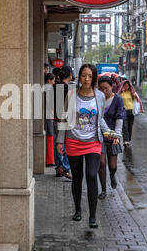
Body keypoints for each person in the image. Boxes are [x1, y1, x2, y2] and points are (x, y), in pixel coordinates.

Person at [56, 64, 117, 228]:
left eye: (90, 76)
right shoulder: (71, 95)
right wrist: (60, 141)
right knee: (77, 178)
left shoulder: (99, 96)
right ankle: (77, 210)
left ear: (94, 77)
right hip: (74, 140)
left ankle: (92, 217)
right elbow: (64, 118)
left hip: (93, 141)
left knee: (91, 175)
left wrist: (111, 134)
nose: (87, 79)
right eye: (84, 75)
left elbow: (101, 119)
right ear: (80, 77)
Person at [97, 76, 126, 199]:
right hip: (100, 135)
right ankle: (103, 190)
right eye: (101, 89)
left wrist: (117, 135)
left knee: (112, 165)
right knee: (101, 163)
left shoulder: (118, 100)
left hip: (113, 134)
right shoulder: (97, 99)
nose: (104, 91)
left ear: (111, 87)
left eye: (106, 89)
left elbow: (120, 117)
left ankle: (112, 175)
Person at [52, 66, 72, 179]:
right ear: (70, 75)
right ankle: (64, 168)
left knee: (57, 144)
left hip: (55, 119)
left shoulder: (54, 87)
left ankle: (58, 167)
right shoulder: (69, 89)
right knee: (67, 144)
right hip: (65, 120)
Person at [118, 80, 143, 147]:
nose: (126, 87)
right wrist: (122, 92)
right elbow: (118, 99)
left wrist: (134, 96)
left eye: (127, 86)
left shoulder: (131, 92)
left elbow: (136, 100)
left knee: (130, 126)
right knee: (125, 126)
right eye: (125, 85)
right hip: (123, 111)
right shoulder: (121, 93)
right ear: (123, 86)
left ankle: (128, 140)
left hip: (131, 111)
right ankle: (125, 140)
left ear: (129, 86)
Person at [44, 73, 56, 167]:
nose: (54, 82)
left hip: (47, 114)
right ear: (49, 80)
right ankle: (49, 160)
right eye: (53, 80)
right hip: (49, 115)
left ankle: (50, 159)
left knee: (50, 136)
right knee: (50, 135)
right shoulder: (48, 89)